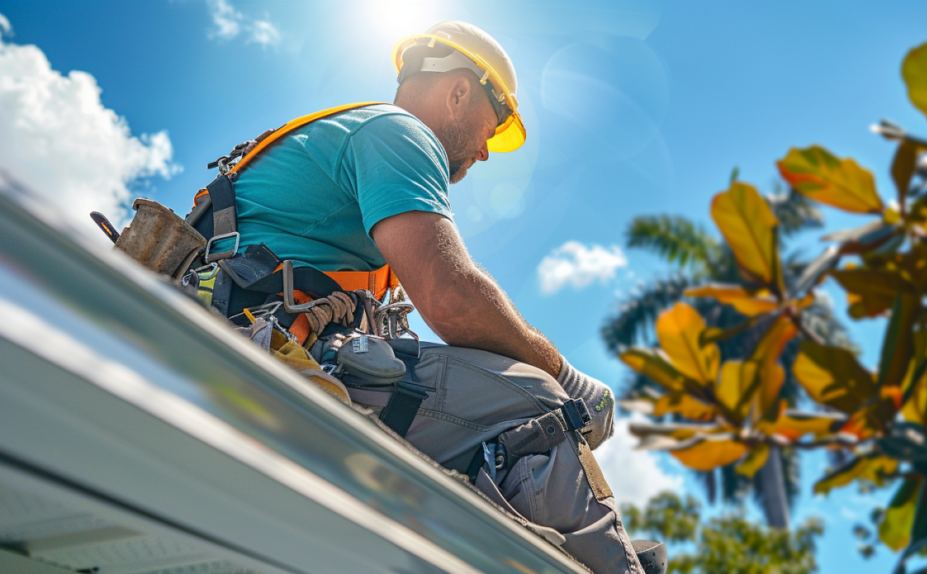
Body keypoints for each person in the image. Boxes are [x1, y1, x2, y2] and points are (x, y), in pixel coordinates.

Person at [191, 21, 659, 574]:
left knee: (483, 414)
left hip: (241, 335)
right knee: (543, 405)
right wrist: (569, 381)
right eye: (493, 125)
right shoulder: (398, 133)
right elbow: (451, 297)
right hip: (265, 352)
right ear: (460, 91)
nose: (486, 152)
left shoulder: (349, 141)